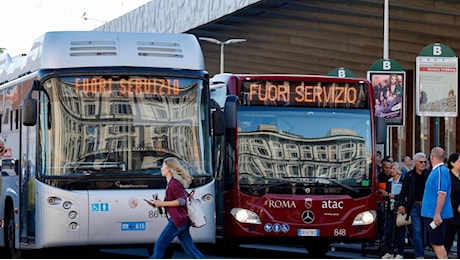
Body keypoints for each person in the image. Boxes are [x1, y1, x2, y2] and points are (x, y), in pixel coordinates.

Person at [148, 157, 204, 259]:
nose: (161, 169)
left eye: (163, 166)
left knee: (159, 246)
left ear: (169, 168)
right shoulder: (172, 183)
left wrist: (162, 204)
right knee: (191, 250)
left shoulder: (174, 184)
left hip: (177, 221)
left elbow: (181, 201)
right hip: (181, 221)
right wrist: (158, 204)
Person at [421, 147, 453, 259]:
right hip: (432, 214)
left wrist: (437, 214)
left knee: (437, 243)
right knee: (435, 243)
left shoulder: (440, 171)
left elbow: (442, 193)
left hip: (436, 215)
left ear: (432, 157)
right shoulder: (438, 171)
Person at [397, 152, 430, 259]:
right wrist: (401, 204)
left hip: (427, 206)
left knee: (427, 230)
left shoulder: (429, 174)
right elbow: (403, 191)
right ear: (415, 162)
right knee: (417, 230)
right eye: (421, 162)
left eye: (425, 162)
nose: (423, 164)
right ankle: (419, 255)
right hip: (414, 205)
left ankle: (424, 249)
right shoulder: (409, 175)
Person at [381, 162, 406, 259]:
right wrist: (386, 195)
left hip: (399, 208)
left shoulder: (403, 181)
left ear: (399, 171)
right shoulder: (389, 181)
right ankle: (389, 251)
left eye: (394, 169)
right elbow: (387, 197)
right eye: (392, 168)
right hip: (390, 208)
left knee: (400, 231)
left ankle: (400, 253)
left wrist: (395, 197)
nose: (392, 170)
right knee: (388, 231)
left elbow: (404, 195)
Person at [444, 153, 460, 257]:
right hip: (451, 213)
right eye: (459, 161)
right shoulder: (448, 177)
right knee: (447, 241)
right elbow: (446, 195)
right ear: (452, 163)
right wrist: (457, 205)